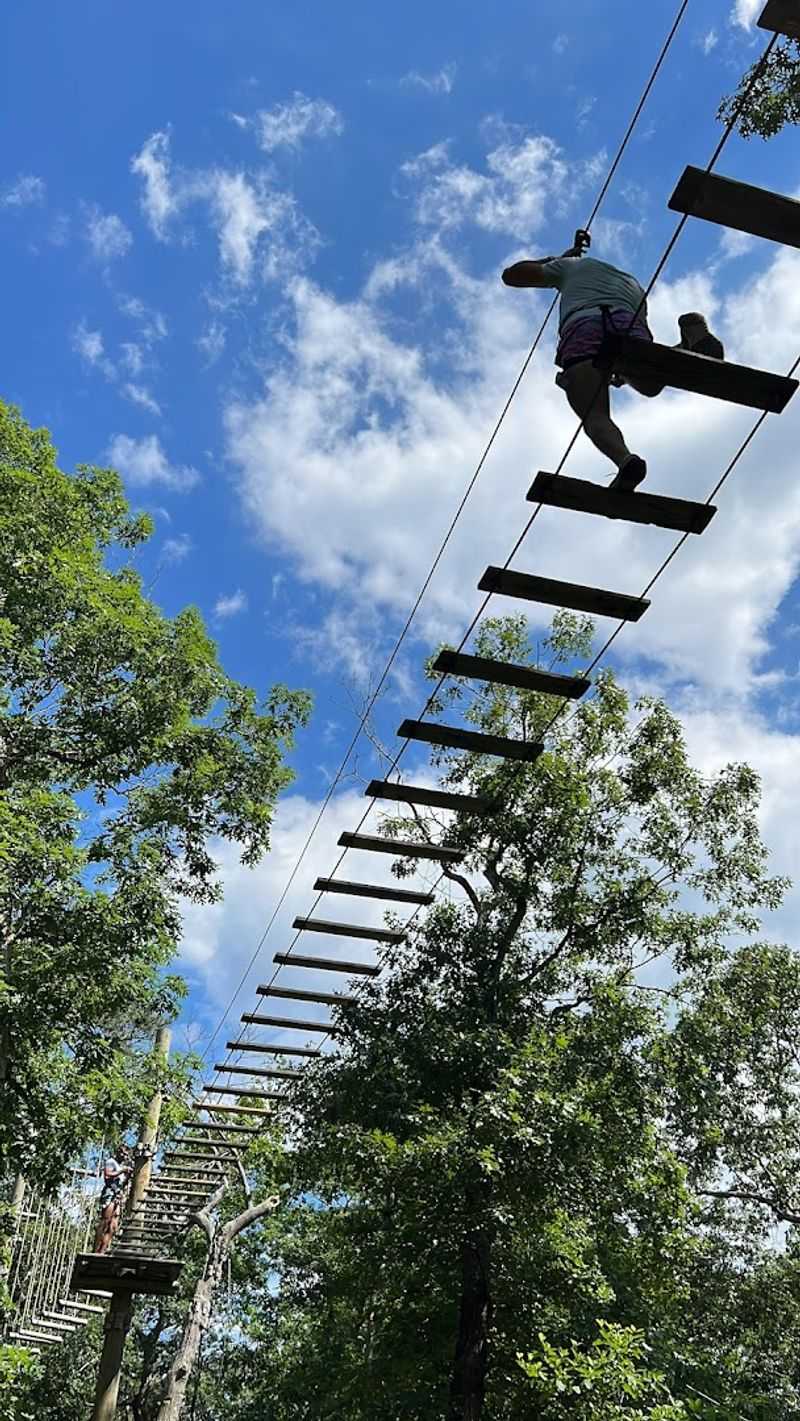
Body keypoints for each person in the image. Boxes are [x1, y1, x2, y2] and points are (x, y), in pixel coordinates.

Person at [502, 238, 722, 492]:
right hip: (629, 322)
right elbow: (619, 344)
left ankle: (625, 461)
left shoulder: (570, 266)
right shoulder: (632, 284)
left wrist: (553, 260)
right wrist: (620, 373)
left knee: (593, 413)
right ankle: (687, 344)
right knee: (650, 383)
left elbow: (512, 276)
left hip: (584, 326)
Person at [93, 1147, 131, 1254]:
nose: (124, 1156)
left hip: (117, 1196)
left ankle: (102, 1250)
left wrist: (127, 1176)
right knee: (105, 1222)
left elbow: (121, 1184)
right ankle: (96, 1250)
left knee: (113, 1227)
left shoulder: (120, 1167)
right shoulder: (111, 1162)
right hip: (109, 1194)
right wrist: (122, 1171)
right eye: (123, 1153)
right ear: (117, 1153)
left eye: (126, 1155)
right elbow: (107, 1175)